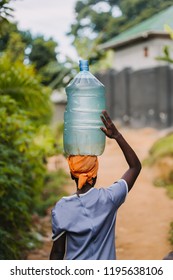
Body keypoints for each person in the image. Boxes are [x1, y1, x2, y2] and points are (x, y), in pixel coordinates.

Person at [49, 110, 141, 260]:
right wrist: (117, 136)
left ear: (72, 174)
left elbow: (58, 252)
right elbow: (135, 167)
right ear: (95, 173)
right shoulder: (110, 198)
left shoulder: (61, 208)